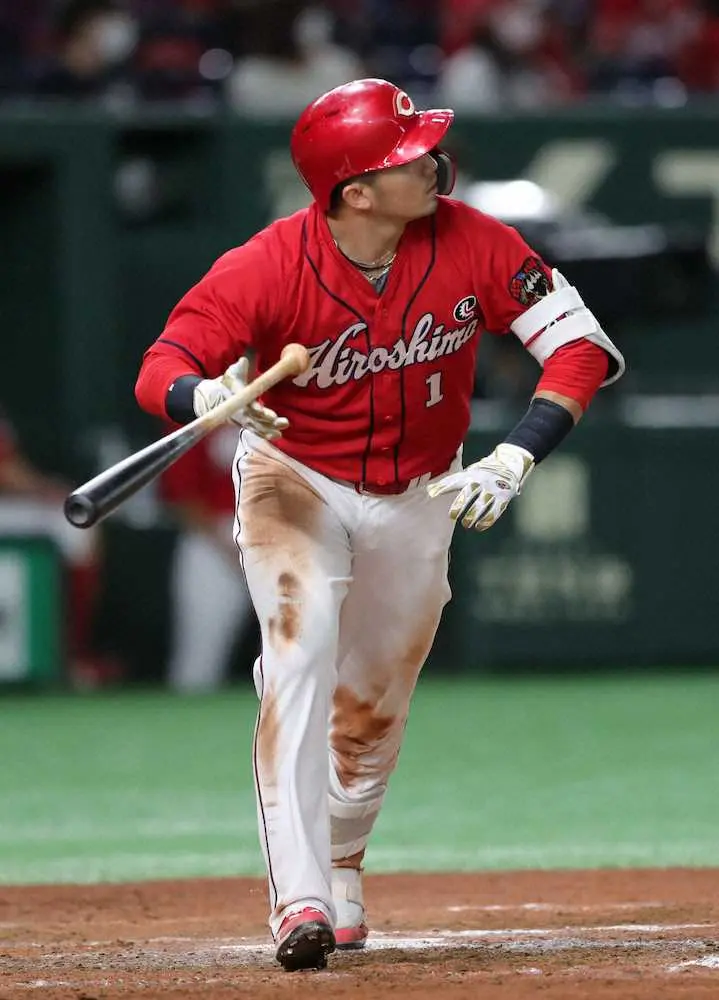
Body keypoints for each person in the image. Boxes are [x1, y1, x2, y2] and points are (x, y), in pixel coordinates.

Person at [134, 78, 625, 971]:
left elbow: (579, 347)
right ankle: (299, 897)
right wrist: (200, 395)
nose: (432, 162)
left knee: (369, 712)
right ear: (354, 192)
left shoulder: (475, 240)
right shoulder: (265, 265)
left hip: (419, 491)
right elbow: (161, 365)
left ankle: (343, 860)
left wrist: (514, 455)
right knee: (298, 651)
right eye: (408, 156)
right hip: (295, 478)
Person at [159, 424, 255, 693]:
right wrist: (232, 547)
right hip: (213, 538)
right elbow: (181, 494)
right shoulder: (196, 408)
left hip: (285, 532)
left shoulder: (294, 405)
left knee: (300, 653)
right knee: (199, 660)